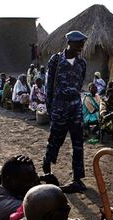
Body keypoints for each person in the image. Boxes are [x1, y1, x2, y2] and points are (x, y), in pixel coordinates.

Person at [43, 30, 88, 193]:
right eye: (79, 43)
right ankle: (47, 169)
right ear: (70, 42)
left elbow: (80, 83)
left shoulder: (82, 63)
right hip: (59, 107)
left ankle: (77, 179)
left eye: (83, 43)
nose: (82, 46)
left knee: (78, 143)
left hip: (75, 107)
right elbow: (49, 85)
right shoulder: (55, 60)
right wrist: (50, 107)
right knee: (55, 140)